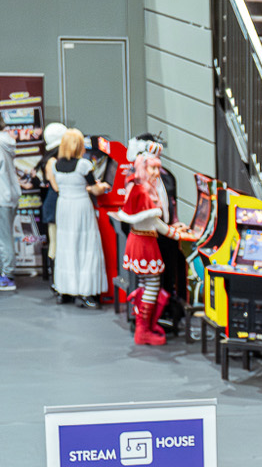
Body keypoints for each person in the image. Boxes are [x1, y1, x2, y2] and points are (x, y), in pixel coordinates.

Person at [118, 146, 171, 346]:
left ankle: (145, 326)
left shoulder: (139, 187)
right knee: (152, 284)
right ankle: (143, 330)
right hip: (144, 242)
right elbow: (155, 223)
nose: (157, 173)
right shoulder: (142, 191)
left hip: (140, 240)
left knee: (144, 283)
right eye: (152, 168)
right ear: (143, 168)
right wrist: (178, 233)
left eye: (158, 168)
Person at [46, 130, 104, 307]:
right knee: (85, 246)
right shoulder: (84, 165)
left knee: (66, 247)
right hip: (80, 207)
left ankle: (65, 291)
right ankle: (86, 292)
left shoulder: (55, 165)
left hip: (64, 207)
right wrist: (101, 186)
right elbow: (95, 189)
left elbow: (60, 186)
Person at [0, 128, 20, 294]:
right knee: (4, 238)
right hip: (8, 195)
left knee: (4, 238)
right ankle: (6, 273)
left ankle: (7, 276)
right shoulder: (6, 141)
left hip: (2, 197)